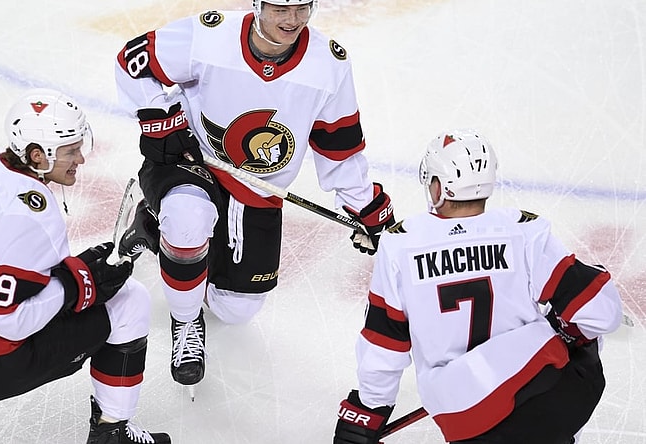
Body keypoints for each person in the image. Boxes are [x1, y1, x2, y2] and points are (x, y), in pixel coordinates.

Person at [113, 0, 396, 388]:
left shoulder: (328, 66)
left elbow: (340, 148)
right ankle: (185, 320)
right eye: (280, 9)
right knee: (188, 220)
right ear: (258, 5)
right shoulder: (210, 36)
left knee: (235, 309)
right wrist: (158, 116)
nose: (292, 20)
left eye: (302, 9)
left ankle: (152, 232)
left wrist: (366, 207)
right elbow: (133, 61)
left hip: (258, 192)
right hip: (191, 161)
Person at [0, 88, 170, 444]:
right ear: (38, 156)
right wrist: (74, 286)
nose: (80, 158)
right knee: (129, 300)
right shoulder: (33, 212)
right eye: (71, 150)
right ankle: (111, 434)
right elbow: (4, 319)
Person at [333, 129, 623, 444]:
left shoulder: (400, 246)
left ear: (439, 188)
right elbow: (602, 314)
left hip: (468, 419)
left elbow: (384, 346)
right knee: (581, 333)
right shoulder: (523, 231)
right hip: (553, 398)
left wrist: (367, 412)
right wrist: (564, 329)